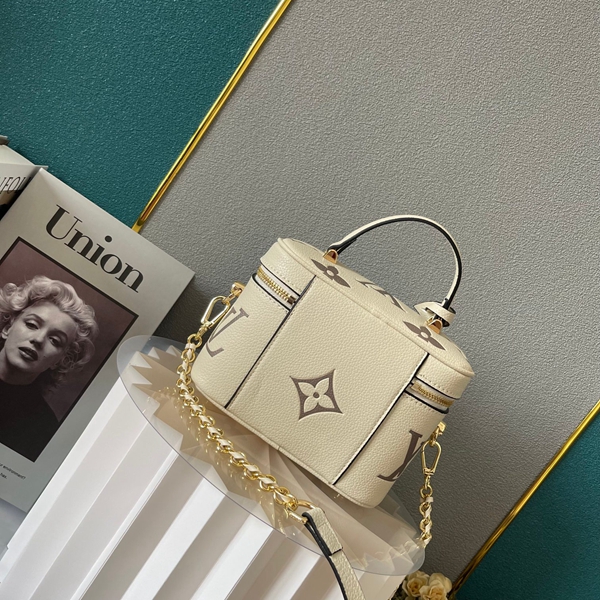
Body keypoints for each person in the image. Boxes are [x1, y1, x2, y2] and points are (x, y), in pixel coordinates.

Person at [0, 276, 98, 461]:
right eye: (32, 325)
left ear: (60, 360)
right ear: (8, 327)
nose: (38, 340)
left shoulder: (43, 428)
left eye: (54, 340)